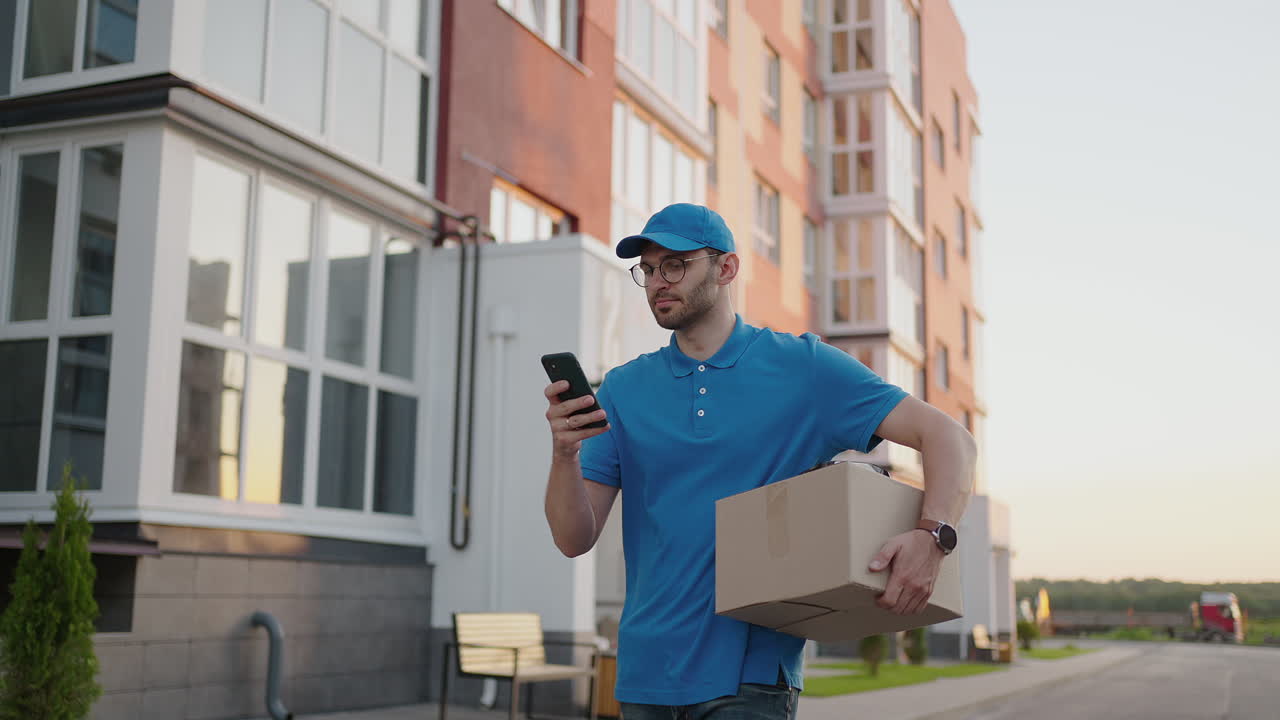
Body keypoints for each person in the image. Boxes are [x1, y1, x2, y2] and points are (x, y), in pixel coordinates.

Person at [543, 204, 975, 719]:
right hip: (645, 674)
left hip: (751, 677)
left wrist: (934, 538)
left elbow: (950, 438)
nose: (659, 280)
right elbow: (573, 539)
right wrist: (564, 454)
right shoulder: (622, 389)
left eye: (675, 264)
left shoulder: (803, 368)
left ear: (726, 268)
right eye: (650, 269)